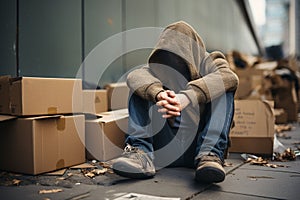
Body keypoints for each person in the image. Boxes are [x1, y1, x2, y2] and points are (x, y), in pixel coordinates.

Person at [112, 21, 239, 183]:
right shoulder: (154, 70)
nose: (174, 66)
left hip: (199, 149)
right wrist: (159, 94)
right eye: (168, 59)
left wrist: (186, 97)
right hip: (164, 149)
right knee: (140, 86)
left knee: (224, 88)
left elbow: (229, 77)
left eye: (180, 60)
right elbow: (135, 76)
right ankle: (140, 154)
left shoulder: (212, 61)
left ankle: (211, 154)